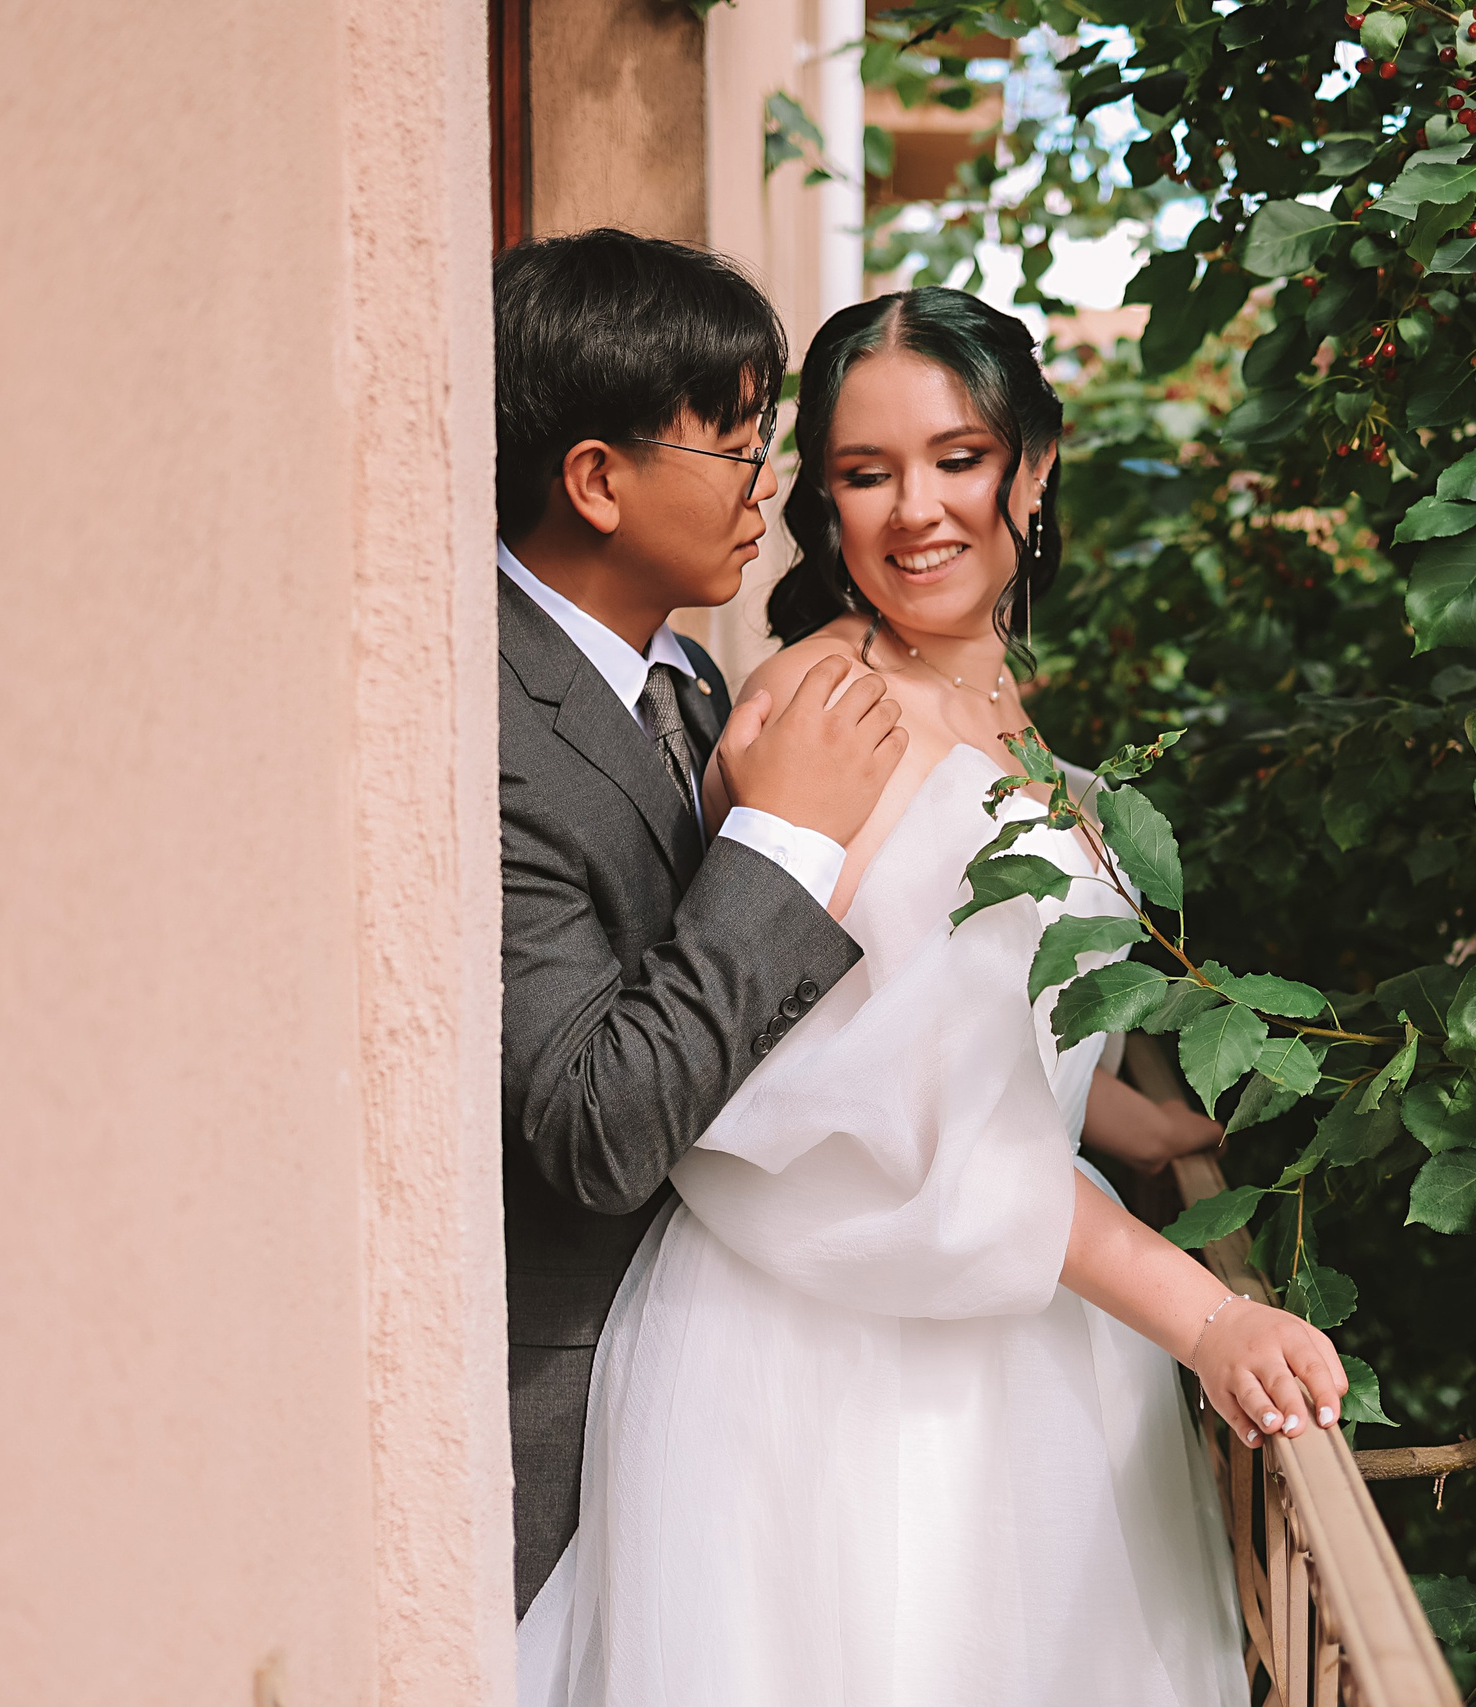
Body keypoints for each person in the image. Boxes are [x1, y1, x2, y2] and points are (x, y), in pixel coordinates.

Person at [516, 287, 1345, 1707]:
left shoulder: (991, 696)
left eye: (957, 459)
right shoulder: (827, 721)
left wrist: (1125, 1120)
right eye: (863, 473)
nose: (918, 512)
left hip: (1012, 1328)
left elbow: (970, 1038)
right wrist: (1211, 1321)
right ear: (822, 506)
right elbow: (899, 1129)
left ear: (1033, 465)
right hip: (847, 1369)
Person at [493, 229, 908, 1617]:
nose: (769, 487)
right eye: (737, 449)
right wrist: (787, 839)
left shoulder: (688, 681)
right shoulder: (487, 723)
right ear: (598, 479)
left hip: (734, 1394)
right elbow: (597, 1128)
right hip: (573, 1424)